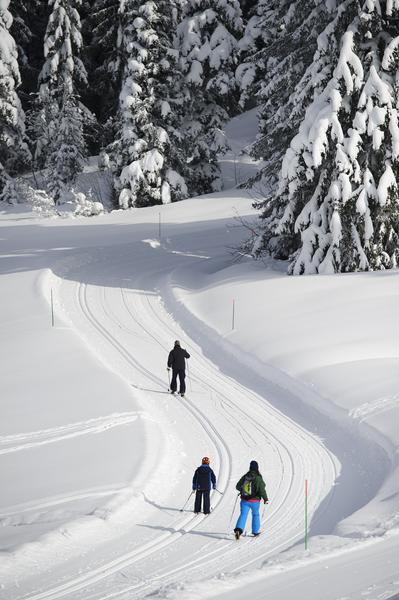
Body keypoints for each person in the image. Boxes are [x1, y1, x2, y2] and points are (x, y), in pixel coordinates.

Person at [234, 460, 268, 539]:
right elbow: (261, 489)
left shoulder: (246, 476)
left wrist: (242, 490)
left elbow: (238, 486)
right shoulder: (258, 477)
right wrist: (265, 499)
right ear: (257, 468)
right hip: (255, 501)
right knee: (255, 515)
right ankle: (255, 531)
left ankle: (238, 530)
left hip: (244, 500)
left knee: (243, 515)